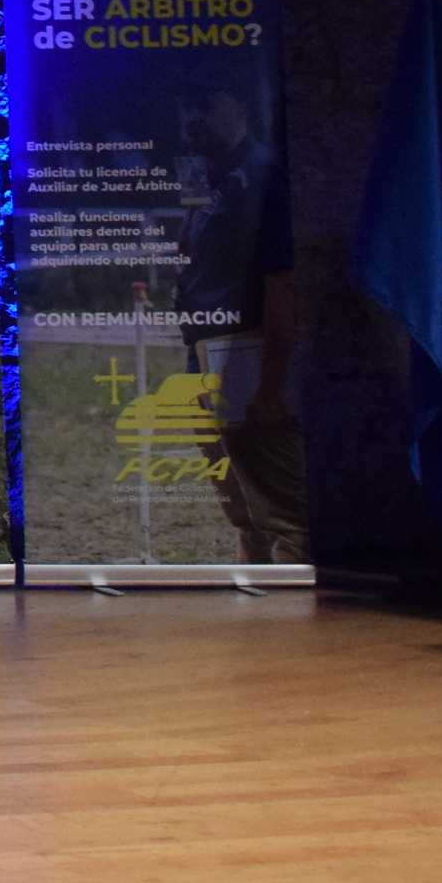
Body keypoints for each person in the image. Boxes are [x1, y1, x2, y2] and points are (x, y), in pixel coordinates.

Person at [175, 89, 305, 562]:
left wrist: (270, 386)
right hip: (203, 352)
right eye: (187, 106)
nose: (193, 116)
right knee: (241, 508)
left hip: (249, 356)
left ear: (241, 106)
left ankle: (297, 629)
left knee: (283, 512)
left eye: (205, 103)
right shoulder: (199, 172)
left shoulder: (263, 176)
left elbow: (282, 284)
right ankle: (254, 619)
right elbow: (187, 253)